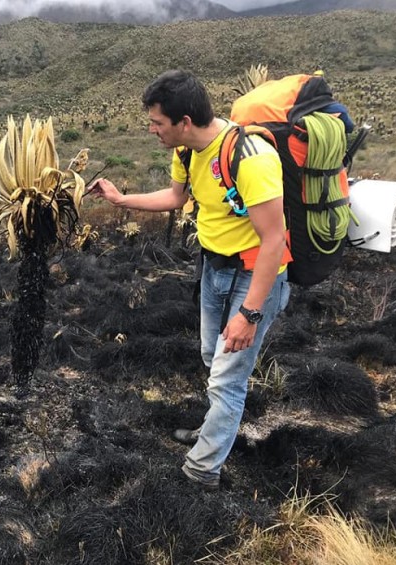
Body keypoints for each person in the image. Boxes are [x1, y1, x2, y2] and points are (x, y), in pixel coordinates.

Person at [89, 70, 291, 490]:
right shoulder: (186, 151)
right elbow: (176, 198)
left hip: (255, 277)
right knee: (210, 358)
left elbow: (274, 241)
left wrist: (250, 313)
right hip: (214, 269)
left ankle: (201, 472)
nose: (151, 130)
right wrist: (120, 199)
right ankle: (214, 430)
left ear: (184, 122)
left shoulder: (249, 158)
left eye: (157, 123)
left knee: (227, 377)